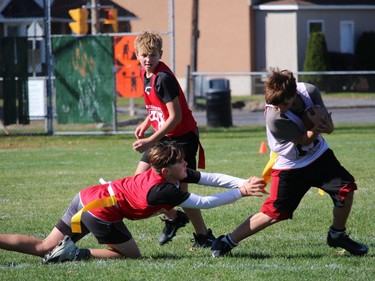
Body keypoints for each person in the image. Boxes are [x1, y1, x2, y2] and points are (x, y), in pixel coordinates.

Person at [0, 143, 267, 264]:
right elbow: (204, 202)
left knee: (43, 246)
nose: (187, 164)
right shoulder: (163, 190)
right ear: (165, 170)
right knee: (131, 256)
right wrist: (241, 192)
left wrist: (244, 182)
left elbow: (209, 178)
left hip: (87, 196)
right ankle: (73, 254)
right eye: (181, 162)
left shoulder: (169, 174)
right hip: (101, 210)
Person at [211, 68, 368, 257]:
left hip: (318, 154)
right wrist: (317, 127)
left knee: (346, 190)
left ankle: (337, 234)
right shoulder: (274, 117)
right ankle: (227, 241)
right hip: (290, 165)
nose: (278, 108)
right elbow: (303, 140)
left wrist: (325, 124)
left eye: (284, 103)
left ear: (293, 94)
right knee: (274, 213)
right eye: (274, 103)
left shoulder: (309, 91)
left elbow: (329, 128)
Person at [132, 31, 210, 248]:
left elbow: (175, 116)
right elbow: (158, 107)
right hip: (164, 136)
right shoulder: (144, 73)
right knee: (140, 182)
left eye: (153, 55)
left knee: (181, 193)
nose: (148, 60)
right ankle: (174, 218)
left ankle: (203, 236)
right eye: (144, 55)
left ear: (161, 54)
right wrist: (146, 123)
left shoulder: (163, 78)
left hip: (182, 139)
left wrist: (150, 140)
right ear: (137, 55)